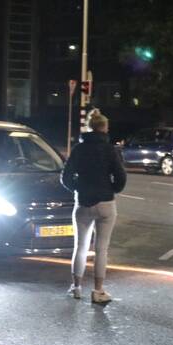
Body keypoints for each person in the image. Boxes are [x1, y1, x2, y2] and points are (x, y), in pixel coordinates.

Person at [61, 109, 127, 305]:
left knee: (80, 247)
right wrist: (112, 189)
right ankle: (98, 291)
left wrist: (78, 188)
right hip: (106, 203)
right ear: (104, 128)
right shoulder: (110, 150)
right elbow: (121, 176)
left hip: (83, 203)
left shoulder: (79, 149)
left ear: (90, 128)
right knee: (101, 249)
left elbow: (65, 177)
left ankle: (76, 287)